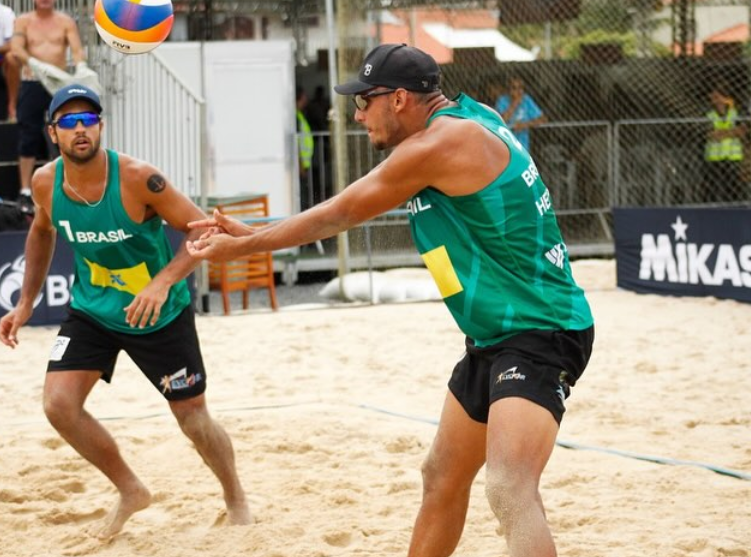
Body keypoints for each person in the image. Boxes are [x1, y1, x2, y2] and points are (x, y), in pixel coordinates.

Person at [187, 43, 594, 557]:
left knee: (509, 487)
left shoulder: (439, 144)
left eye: (364, 102)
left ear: (399, 98)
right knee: (441, 476)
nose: (357, 115)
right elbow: (350, 207)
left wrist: (246, 245)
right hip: (496, 335)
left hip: (542, 331)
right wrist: (255, 233)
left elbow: (343, 212)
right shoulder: (466, 118)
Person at [0, 83, 253, 539]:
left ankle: (235, 495)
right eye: (69, 123)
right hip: (93, 309)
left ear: (100, 127)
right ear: (53, 133)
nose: (81, 129)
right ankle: (131, 489)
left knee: (193, 420)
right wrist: (24, 302)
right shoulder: (43, 183)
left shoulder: (138, 178)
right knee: (59, 406)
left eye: (89, 121)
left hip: (160, 313)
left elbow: (205, 233)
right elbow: (41, 233)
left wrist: (162, 282)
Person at [9, 0, 87, 214]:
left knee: (68, 131)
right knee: (28, 134)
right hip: (33, 80)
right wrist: (32, 62)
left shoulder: (65, 21)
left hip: (58, 82)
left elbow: (76, 49)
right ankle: (24, 189)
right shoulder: (24, 21)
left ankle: (73, 184)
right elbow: (17, 48)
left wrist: (81, 66)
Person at [703, 85, 746, 204]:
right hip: (714, 158)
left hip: (733, 157)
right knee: (712, 191)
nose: (714, 100)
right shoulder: (709, 114)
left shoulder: (735, 113)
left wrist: (721, 133)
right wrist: (732, 132)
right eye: (712, 97)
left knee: (734, 191)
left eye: (717, 96)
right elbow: (710, 135)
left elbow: (742, 132)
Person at [495, 75, 546, 154]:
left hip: (523, 147)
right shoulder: (502, 100)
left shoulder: (526, 100)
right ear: (509, 89)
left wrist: (525, 125)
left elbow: (543, 119)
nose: (518, 91)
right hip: (506, 146)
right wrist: (515, 103)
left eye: (521, 88)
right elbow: (502, 121)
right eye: (514, 88)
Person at [296, 87, 316, 209]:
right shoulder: (295, 117)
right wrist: (300, 165)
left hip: (303, 165)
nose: (306, 100)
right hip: (300, 167)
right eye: (304, 97)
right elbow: (295, 144)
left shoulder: (298, 115)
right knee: (302, 200)